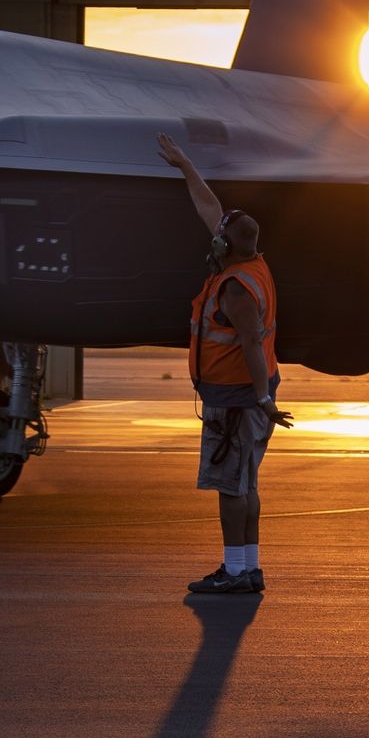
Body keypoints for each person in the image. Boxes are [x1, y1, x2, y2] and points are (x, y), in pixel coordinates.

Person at [157, 133, 293, 595]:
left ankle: (236, 573)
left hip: (238, 402)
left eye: (218, 237)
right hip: (245, 398)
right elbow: (210, 208)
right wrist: (185, 165)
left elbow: (253, 344)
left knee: (232, 489)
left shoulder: (237, 288)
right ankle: (247, 567)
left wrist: (261, 400)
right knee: (245, 484)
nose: (211, 237)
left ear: (225, 246)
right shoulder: (253, 264)